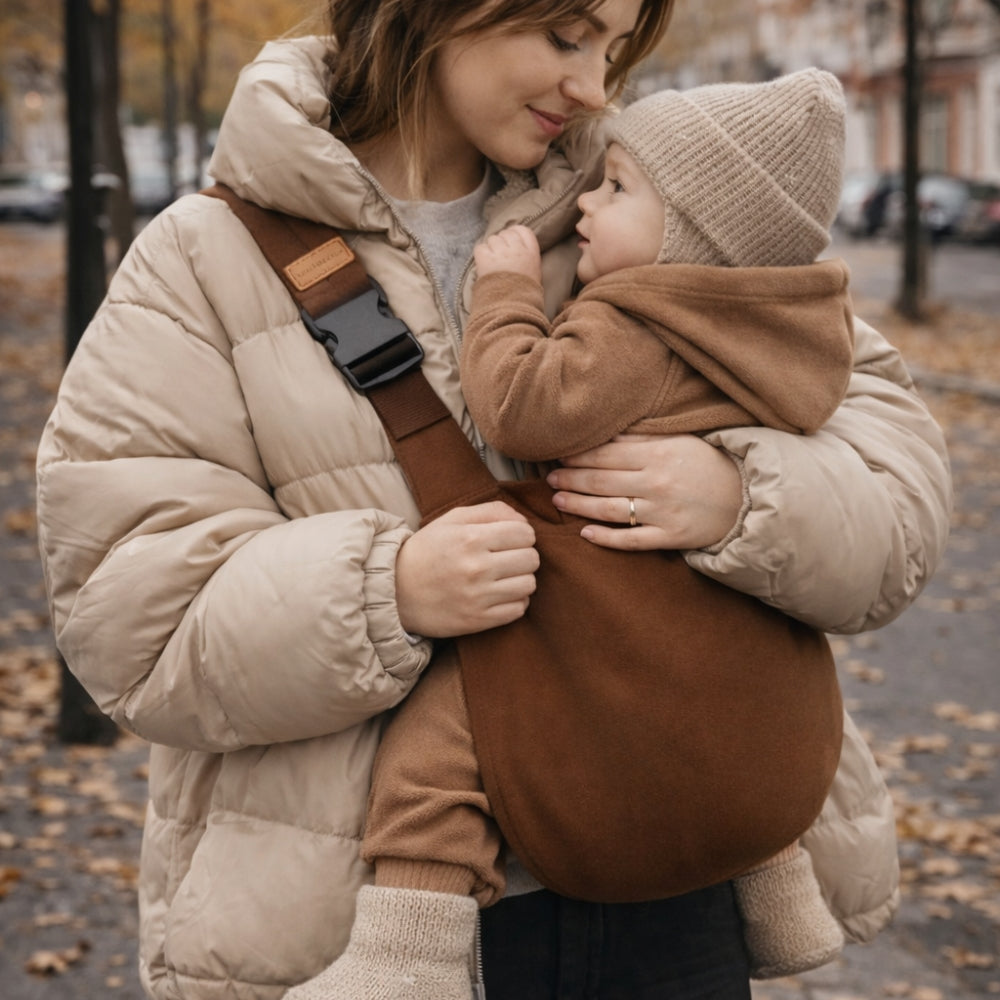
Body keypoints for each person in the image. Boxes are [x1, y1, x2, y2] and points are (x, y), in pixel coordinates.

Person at [33, 1, 951, 997]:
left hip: (679, 886)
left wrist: (741, 498)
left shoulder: (667, 206)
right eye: (564, 36)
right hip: (363, 927)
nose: (594, 87)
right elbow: (133, 615)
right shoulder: (199, 263)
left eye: (612, 47)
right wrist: (385, 590)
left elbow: (899, 500)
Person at [284, 69, 857, 1000]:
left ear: (690, 243)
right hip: (726, 621)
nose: (591, 200)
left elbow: (521, 408)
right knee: (736, 736)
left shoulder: (644, 321)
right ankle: (784, 900)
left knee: (443, 746)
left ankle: (406, 954)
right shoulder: (789, 328)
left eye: (621, 189)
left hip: (594, 598)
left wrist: (507, 291)